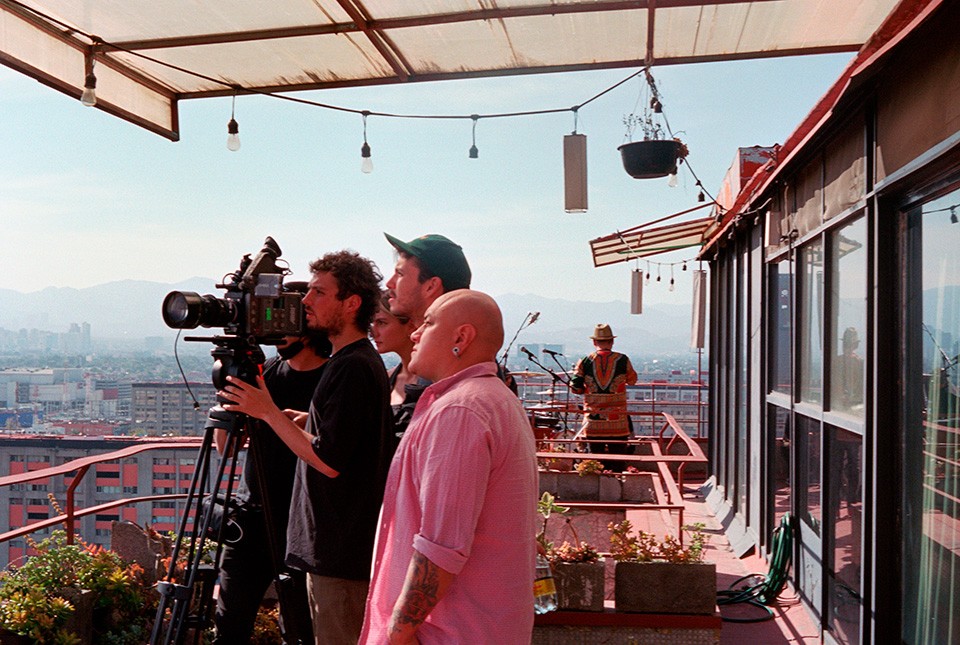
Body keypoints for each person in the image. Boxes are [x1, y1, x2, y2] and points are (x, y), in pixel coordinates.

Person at [220, 250, 393, 645]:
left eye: (318, 292)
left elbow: (329, 461)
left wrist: (267, 412)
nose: (304, 302)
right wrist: (305, 420)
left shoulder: (352, 366)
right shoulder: (355, 363)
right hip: (335, 546)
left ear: (350, 304)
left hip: (339, 550)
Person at [359, 290, 538, 645]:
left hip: (446, 633)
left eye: (427, 323)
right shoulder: (496, 399)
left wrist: (396, 635)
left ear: (461, 337)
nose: (414, 333)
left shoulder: (460, 411)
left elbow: (440, 547)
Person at [212, 321, 330, 644]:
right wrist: (231, 397)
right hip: (251, 518)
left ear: (308, 332)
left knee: (300, 629)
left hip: (304, 522)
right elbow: (226, 448)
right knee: (229, 628)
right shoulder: (266, 374)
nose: (275, 333)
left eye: (285, 325)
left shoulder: (332, 380)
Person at [570, 323, 638, 471]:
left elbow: (575, 386)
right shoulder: (623, 360)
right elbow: (632, 380)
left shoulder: (585, 361)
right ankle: (617, 483)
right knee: (618, 459)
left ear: (594, 342)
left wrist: (585, 389)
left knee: (596, 460)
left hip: (594, 421)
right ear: (612, 342)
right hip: (617, 421)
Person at [371, 290, 427, 445]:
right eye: (372, 323)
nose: (373, 331)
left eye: (381, 323)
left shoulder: (433, 381)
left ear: (410, 326)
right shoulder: (387, 378)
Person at [383, 232, 472, 327]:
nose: (389, 284)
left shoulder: (442, 341)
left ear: (431, 286)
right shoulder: (456, 339)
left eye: (400, 274)